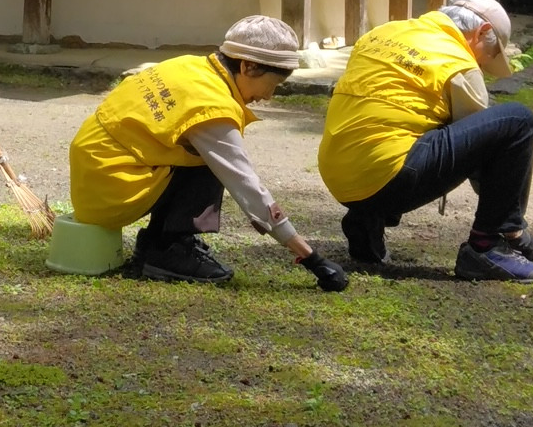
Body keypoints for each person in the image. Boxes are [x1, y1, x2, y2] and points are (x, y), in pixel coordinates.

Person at [68, 15, 348, 289]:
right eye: (272, 85)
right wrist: (312, 258)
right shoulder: (210, 107)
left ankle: (160, 244)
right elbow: (246, 185)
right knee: (214, 161)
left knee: (201, 152)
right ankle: (169, 250)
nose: (268, 97)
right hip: (111, 188)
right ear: (249, 67)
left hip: (95, 171)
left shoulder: (190, 67)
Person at [317, 0, 533, 282]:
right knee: (517, 121)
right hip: (388, 177)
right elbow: (487, 157)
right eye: (488, 55)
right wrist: (511, 225)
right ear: (482, 32)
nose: (482, 64)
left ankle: (365, 220)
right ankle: (487, 247)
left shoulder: (382, 33)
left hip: (336, 174)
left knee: (395, 129)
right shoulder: (457, 63)